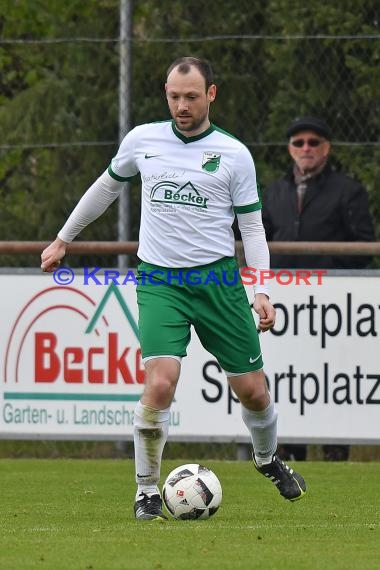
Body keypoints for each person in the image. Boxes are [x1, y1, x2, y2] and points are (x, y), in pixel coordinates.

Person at [41, 56, 306, 521]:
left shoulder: (233, 154)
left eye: (191, 96)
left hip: (219, 282)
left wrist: (262, 289)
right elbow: (105, 188)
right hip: (160, 279)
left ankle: (266, 459)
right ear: (165, 93)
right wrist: (64, 239)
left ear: (211, 94)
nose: (181, 106)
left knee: (254, 393)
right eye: (174, 96)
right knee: (160, 383)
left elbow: (252, 228)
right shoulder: (143, 140)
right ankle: (145, 492)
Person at [262, 115, 375, 461]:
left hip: (330, 311)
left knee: (331, 374)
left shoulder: (348, 190)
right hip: (284, 307)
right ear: (289, 149)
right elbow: (259, 242)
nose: (306, 148)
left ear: (326, 148)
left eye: (313, 142)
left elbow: (364, 248)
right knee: (286, 372)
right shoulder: (274, 191)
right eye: (299, 143)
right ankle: (291, 449)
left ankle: (336, 450)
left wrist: (326, 280)